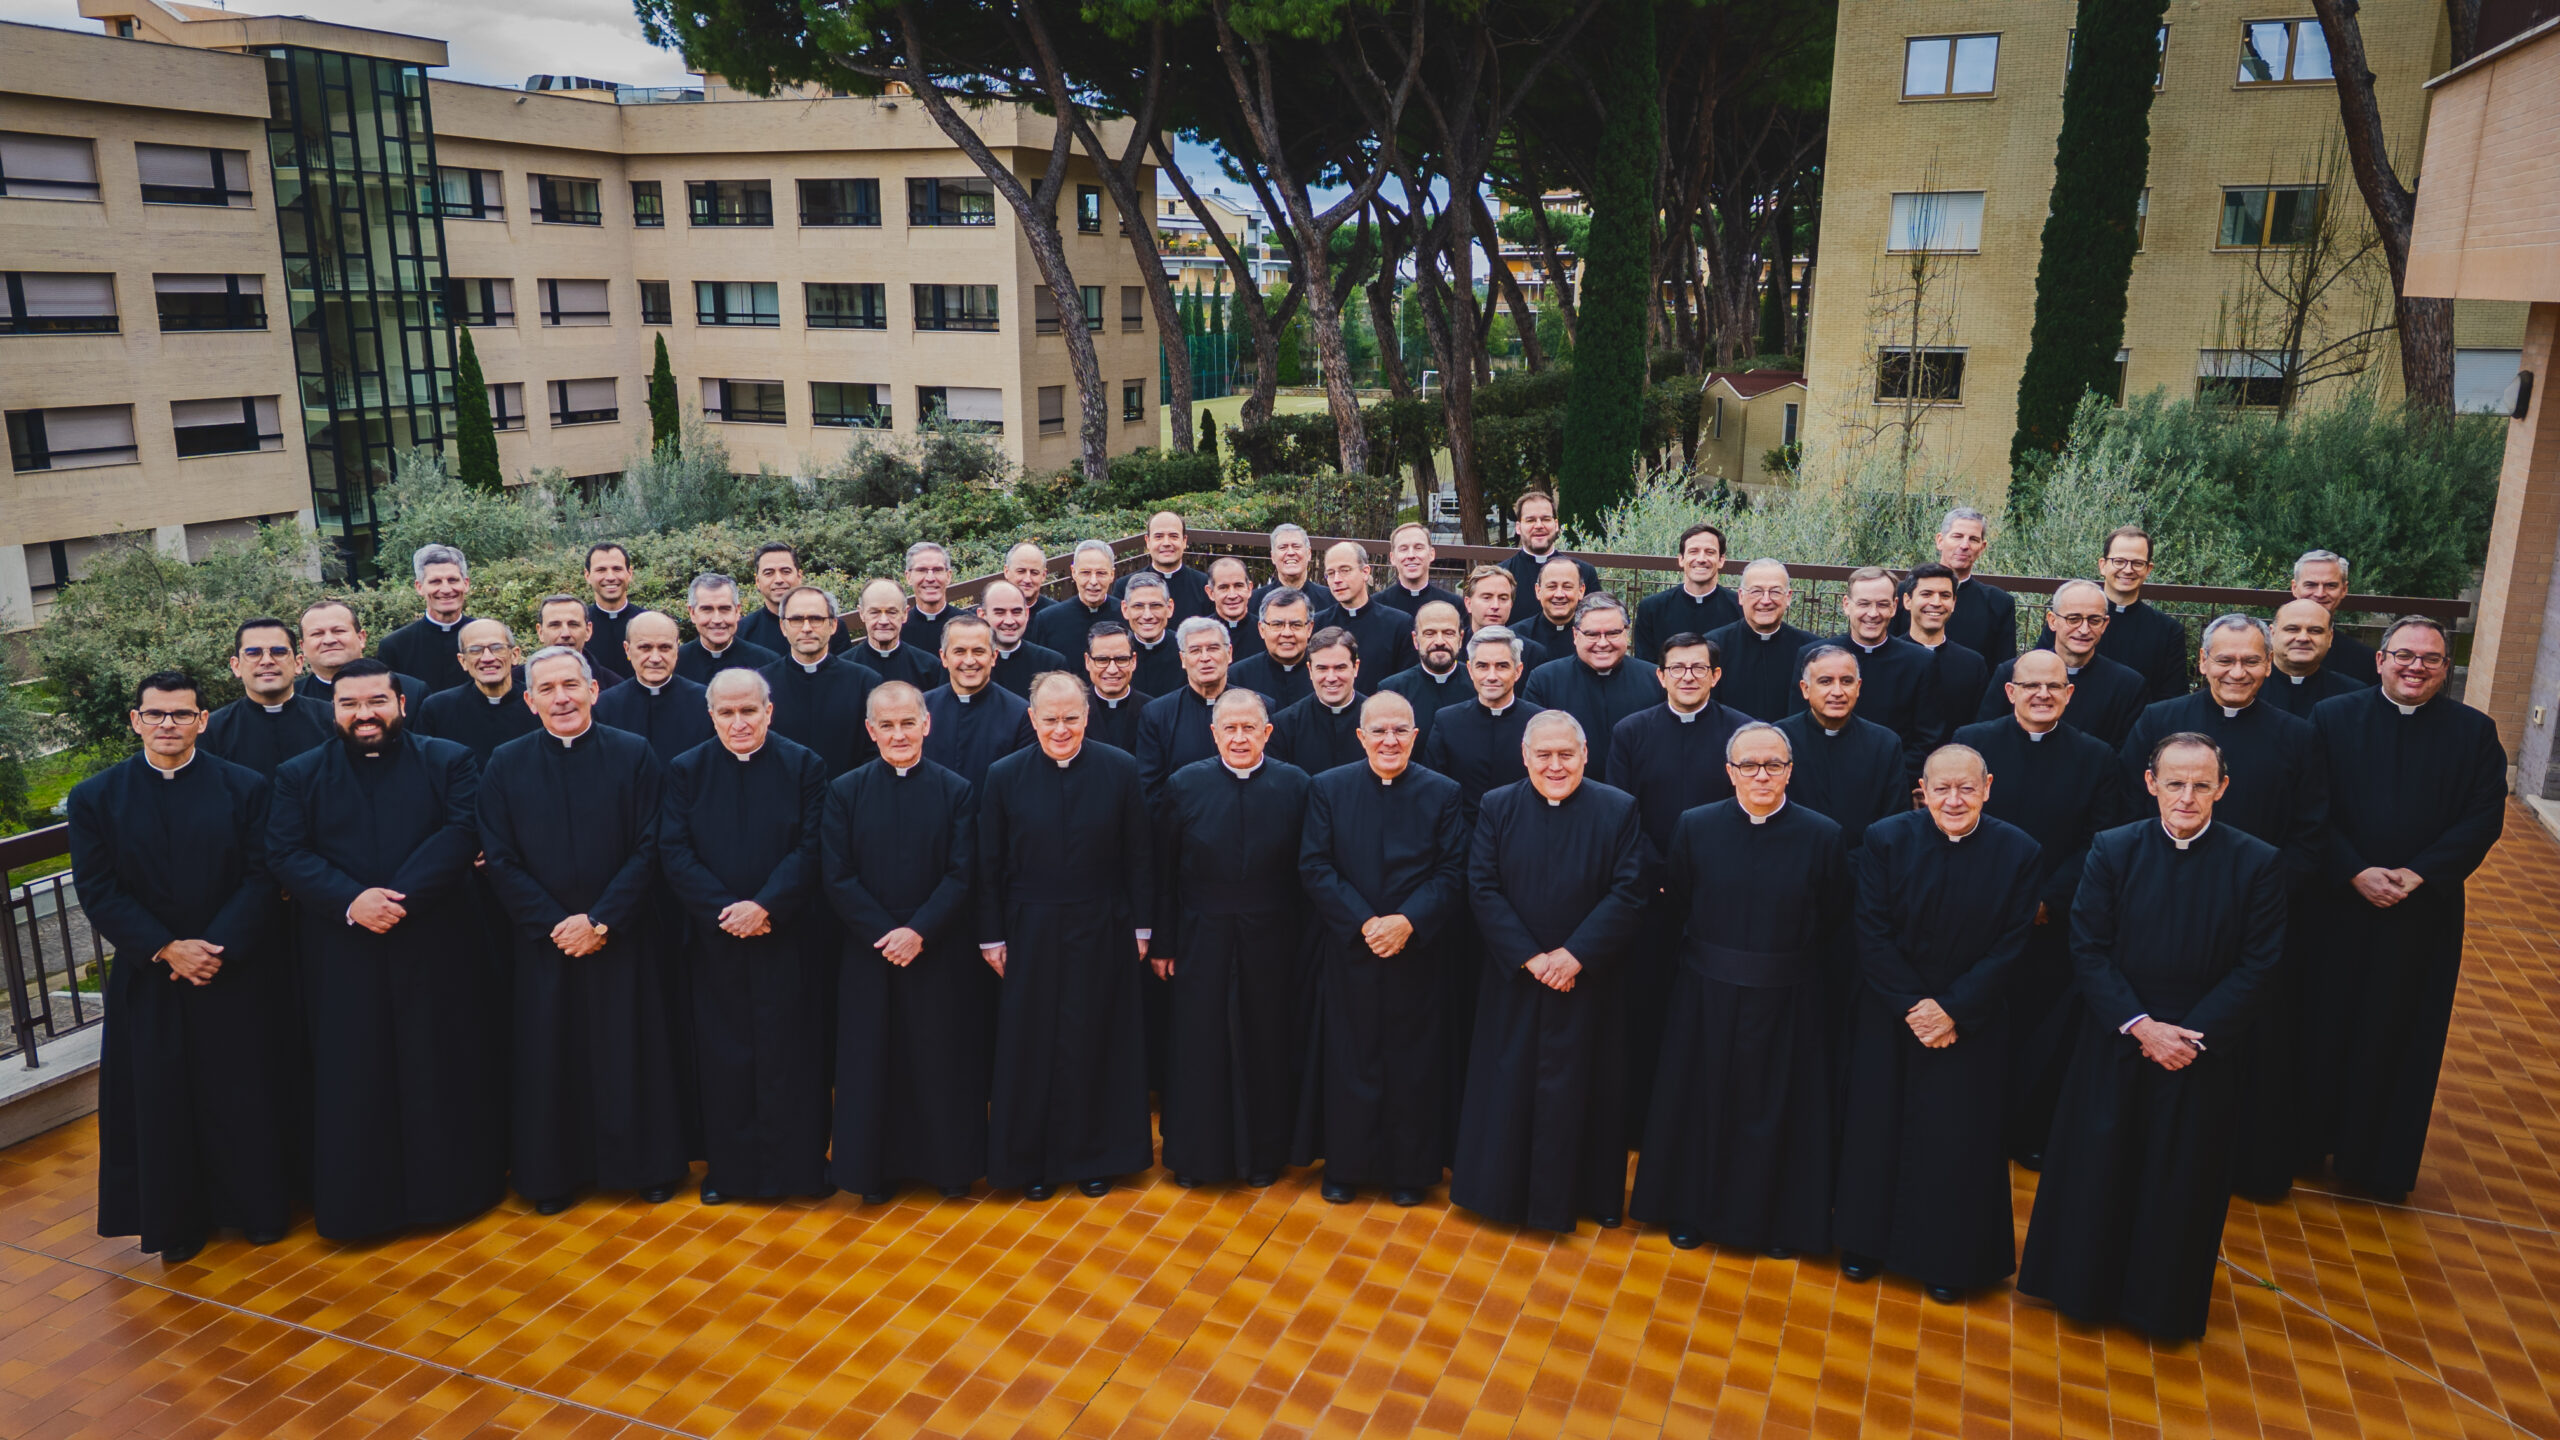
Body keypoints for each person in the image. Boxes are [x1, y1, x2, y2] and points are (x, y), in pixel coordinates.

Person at [2017, 733, 2287, 1341]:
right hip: (2116, 1039)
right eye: (2174, 782)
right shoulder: (2113, 850)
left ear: (2222, 787)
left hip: (2199, 1052)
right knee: (2098, 1170)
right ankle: (2081, 1294)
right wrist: (2142, 1026)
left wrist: (2189, 1036)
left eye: (2200, 784)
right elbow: (2087, 947)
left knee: (2180, 1181)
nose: (2186, 796)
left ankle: (2158, 1309)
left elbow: (2260, 964)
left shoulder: (2258, 862)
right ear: (2150, 784)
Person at [268, 659, 504, 1241]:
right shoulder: (298, 775)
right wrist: (353, 901)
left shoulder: (449, 760)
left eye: (375, 701)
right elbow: (286, 851)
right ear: (334, 710)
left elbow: (462, 830)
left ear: (401, 703)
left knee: (440, 1065)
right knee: (356, 1075)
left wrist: (395, 900)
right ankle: (362, 1207)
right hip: (343, 950)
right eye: (349, 704)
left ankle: (452, 1193)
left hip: (436, 942)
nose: (363, 714)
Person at [73, 672, 293, 1262]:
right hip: (152, 976)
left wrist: (212, 947)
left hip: (233, 969)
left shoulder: (244, 787)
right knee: (161, 1099)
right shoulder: (96, 796)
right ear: (135, 719)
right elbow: (98, 888)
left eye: (181, 714)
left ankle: (257, 1211)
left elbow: (261, 873)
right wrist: (168, 948)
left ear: (203, 720)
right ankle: (177, 1224)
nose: (167, 724)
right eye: (156, 714)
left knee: (243, 1092)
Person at [2119, 616, 2328, 1199]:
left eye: (2251, 661)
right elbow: (2123, 811)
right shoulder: (2160, 720)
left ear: (2268, 665)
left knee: (2243, 1045)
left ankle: (2236, 1166)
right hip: (2155, 920)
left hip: (2250, 927)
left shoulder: (2297, 734)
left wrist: (2258, 904)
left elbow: (2311, 833)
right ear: (2202, 662)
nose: (2238, 672)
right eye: (2225, 660)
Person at [2303, 617, 2507, 1202]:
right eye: (2404, 655)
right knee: (2324, 1023)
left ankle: (2377, 1162)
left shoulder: (2474, 733)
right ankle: (2307, 1142)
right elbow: (2313, 807)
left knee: (2401, 1033)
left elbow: (2482, 818)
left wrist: (2418, 875)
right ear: (2380, 660)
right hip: (2338, 904)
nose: (2416, 667)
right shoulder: (2332, 718)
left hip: (2422, 915)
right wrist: (2354, 870)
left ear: (2446, 668)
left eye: (2431, 659)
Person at [477, 647, 688, 1214]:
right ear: (529, 701)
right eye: (547, 689)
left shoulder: (634, 754)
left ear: (595, 690)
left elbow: (652, 844)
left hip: (622, 934)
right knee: (552, 1056)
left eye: (571, 685)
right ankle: (554, 1176)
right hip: (545, 942)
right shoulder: (504, 763)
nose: (562, 697)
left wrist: (602, 920)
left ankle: (648, 1167)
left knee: (632, 1049)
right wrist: (556, 923)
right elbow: (499, 856)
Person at [1630, 722, 1849, 1256]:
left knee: (1778, 1112)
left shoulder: (1823, 834)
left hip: (1787, 995)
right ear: (1729, 773)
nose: (1761, 775)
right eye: (1748, 765)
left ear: (1790, 772)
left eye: (1773, 765)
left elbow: (1834, 914)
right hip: (1705, 993)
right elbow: (1680, 899)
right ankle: (1690, 1211)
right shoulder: (1695, 826)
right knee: (1700, 1105)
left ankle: (1777, 1223)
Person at [1836, 746, 2042, 1302]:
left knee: (1959, 1139)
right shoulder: (1885, 839)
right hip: (1891, 1011)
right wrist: (1914, 1005)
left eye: (1967, 789)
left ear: (1987, 787)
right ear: (1921, 791)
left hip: (1970, 1019)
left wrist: (1953, 1008)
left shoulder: (2019, 851)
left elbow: (2011, 944)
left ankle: (1947, 1257)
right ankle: (1863, 1242)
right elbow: (1871, 931)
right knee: (1874, 1127)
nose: (1954, 800)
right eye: (1942, 789)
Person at [1452, 711, 1650, 1233]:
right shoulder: (1497, 806)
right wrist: (1532, 957)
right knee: (1508, 1084)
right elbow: (1482, 887)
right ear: (1525, 757)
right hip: (1516, 976)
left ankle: (1591, 1196)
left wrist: (1575, 955)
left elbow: (1629, 890)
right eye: (1544, 755)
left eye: (1567, 754)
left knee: (1590, 1087)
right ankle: (1499, 1194)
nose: (1556, 765)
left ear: (1586, 754)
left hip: (1589, 979)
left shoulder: (1618, 808)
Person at [977, 673, 1156, 1199]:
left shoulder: (1120, 769)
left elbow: (1139, 855)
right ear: (1031, 719)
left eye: (1071, 718)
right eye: (1050, 719)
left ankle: (1095, 1157)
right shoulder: (1003, 775)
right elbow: (988, 862)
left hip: (1103, 923)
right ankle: (1032, 1163)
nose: (1061, 729)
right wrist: (991, 936)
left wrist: (1141, 927)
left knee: (1095, 1038)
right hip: (1028, 926)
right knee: (1032, 1045)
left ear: (1087, 717)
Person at [658, 669, 833, 1204]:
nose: (739, 722)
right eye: (727, 713)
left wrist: (766, 906)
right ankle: (728, 1174)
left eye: (749, 711)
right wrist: (725, 912)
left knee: (794, 1056)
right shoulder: (686, 770)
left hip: (788, 936)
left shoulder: (805, 765)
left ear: (768, 711)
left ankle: (802, 1170)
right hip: (717, 942)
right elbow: (675, 850)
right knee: (724, 1057)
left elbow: (813, 844)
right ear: (710, 716)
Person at [1952, 650, 2129, 1167]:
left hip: (2051, 921)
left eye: (2053, 687)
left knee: (2040, 1034)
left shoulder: (2097, 757)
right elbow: (1954, 821)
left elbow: (2100, 837)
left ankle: (2027, 1131)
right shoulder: (1972, 742)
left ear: (2069, 694)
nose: (2042, 695)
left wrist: (2047, 898)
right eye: (2030, 686)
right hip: (1977, 916)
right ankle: (1969, 1126)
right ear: (2010, 692)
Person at [1295, 692, 1470, 1206]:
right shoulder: (1328, 788)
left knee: (1413, 1061)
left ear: (1416, 736)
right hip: (1351, 948)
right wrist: (1366, 922)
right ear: (1361, 737)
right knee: (1349, 1057)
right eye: (1379, 731)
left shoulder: (1443, 792)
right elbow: (1315, 865)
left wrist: (1407, 921)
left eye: (1400, 731)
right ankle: (1346, 1167)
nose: (1389, 741)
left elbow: (1453, 869)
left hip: (1417, 952)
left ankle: (1410, 1171)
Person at [826, 682, 987, 1201]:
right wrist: (884, 933)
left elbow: (963, 872)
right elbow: (837, 875)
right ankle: (876, 1173)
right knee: (872, 1061)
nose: (899, 734)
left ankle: (950, 1169)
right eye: (887, 725)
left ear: (926, 724)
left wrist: (918, 931)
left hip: (937, 948)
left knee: (941, 1057)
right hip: (869, 950)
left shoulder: (957, 789)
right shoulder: (845, 791)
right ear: (871, 731)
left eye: (907, 723)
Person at [1154, 690, 1312, 1188]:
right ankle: (1198, 1158)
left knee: (1266, 1038)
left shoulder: (1296, 785)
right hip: (1202, 932)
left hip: (1274, 934)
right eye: (1230, 729)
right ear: (1214, 733)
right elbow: (1164, 871)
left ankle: (1264, 1155)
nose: (1240, 738)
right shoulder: (1183, 785)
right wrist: (1164, 942)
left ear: (1268, 733)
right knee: (1200, 1043)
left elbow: (1308, 871)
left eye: (1250, 729)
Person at [1604, 633, 1744, 1131]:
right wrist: (1661, 877)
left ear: (1716, 676)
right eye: (1677, 668)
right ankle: (1641, 1118)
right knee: (1645, 1008)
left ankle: (1703, 1119)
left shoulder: (1742, 733)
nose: (1688, 676)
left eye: (1698, 668)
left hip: (1719, 900)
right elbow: (1621, 812)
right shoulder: (1630, 731)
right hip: (1649, 897)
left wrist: (1703, 881)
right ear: (1659, 675)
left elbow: (1746, 814)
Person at [1982, 581, 2148, 748]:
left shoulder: (2127, 686)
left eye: (2094, 620)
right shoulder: (2011, 673)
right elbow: (1986, 736)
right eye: (2073, 619)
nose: (2084, 629)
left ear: (2105, 624)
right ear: (2052, 621)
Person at [2035, 526, 2189, 705]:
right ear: (2103, 565)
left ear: (2148, 569)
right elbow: (2039, 668)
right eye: (2119, 561)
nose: (2128, 569)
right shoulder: (2068, 619)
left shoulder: (2168, 631)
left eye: (2137, 563)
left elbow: (2172, 698)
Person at [1523, 595, 1657, 786]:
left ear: (1626, 633)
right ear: (1575, 635)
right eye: (1592, 634)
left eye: (1612, 633)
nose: (1602, 643)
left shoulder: (1654, 679)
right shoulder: (1544, 680)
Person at [1827, 566, 1946, 777]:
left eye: (1882, 605)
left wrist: (1890, 775)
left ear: (1894, 607)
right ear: (1847, 605)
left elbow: (1927, 739)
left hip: (1893, 780)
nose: (1873, 614)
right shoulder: (1817, 657)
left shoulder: (1921, 662)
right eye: (1863, 604)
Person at [755, 585, 880, 780]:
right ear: (783, 627)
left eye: (816, 619)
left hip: (848, 801)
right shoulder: (761, 685)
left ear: (833, 625)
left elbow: (874, 751)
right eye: (796, 619)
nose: (806, 628)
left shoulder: (866, 682)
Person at [1422, 627, 1544, 826]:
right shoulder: (1447, 722)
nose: (1492, 676)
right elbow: (1434, 791)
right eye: (1483, 666)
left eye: (1502, 666)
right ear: (1470, 670)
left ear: (1518, 671)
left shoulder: (1538, 722)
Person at [203, 617, 332, 779]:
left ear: (298, 663)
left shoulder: (332, 720)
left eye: (279, 652)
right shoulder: (212, 731)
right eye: (253, 653)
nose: (267, 661)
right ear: (236, 666)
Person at [920, 612, 1034, 790]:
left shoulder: (1020, 714)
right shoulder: (922, 709)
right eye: (959, 651)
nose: (969, 660)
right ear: (943, 658)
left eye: (978, 651)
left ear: (993, 657)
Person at [1891, 507, 2017, 667]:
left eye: (1973, 539)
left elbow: (2003, 669)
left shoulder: (1999, 603)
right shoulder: (1903, 592)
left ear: (1982, 548)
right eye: (1957, 536)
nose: (1964, 545)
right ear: (1940, 541)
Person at [1138, 616, 1244, 797]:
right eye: (1195, 650)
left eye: (1213, 648)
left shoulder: (1257, 708)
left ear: (1229, 653)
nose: (1205, 658)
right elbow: (1152, 790)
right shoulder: (1157, 715)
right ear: (1183, 659)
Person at [594, 611, 716, 763]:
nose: (655, 658)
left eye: (665, 647)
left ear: (676, 649)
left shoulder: (704, 702)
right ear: (627, 649)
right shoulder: (604, 706)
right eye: (645, 648)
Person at [411, 618, 537, 761]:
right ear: (463, 661)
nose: (487, 658)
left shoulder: (538, 703)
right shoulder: (437, 709)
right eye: (475, 650)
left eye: (497, 648)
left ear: (514, 655)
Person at [1704, 561, 1815, 721]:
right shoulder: (1713, 645)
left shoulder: (1811, 649)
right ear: (1741, 596)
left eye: (1775, 592)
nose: (1766, 600)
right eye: (1756, 591)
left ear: (1788, 597)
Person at [1902, 562, 1991, 741]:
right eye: (1926, 594)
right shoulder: (1890, 657)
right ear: (1907, 601)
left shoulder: (1973, 665)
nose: (1936, 603)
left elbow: (1979, 726)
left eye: (1945, 595)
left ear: (1954, 603)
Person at [375, 543, 479, 693]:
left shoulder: (488, 637)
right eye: (435, 581)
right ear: (419, 587)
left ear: (466, 584)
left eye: (452, 580)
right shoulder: (395, 646)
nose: (446, 589)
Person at [1632, 523, 1741, 662]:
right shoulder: (1652, 608)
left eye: (1710, 552)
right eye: (1693, 551)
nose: (1701, 559)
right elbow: (1645, 666)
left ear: (1721, 560)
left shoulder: (1740, 607)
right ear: (1681, 559)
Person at [1269, 628, 1370, 775]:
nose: (1331, 677)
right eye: (1322, 668)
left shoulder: (1378, 720)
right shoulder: (1284, 725)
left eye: (1340, 668)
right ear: (1310, 670)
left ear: (1355, 668)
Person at [294, 599, 425, 711]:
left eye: (339, 631)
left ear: (361, 638)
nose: (329, 640)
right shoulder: (292, 699)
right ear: (302, 646)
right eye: (317, 634)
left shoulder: (411, 691)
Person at [1380, 601, 1470, 751]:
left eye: (1448, 633)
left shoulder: (1477, 684)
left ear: (1460, 639)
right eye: (1430, 633)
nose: (1440, 642)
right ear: (1415, 640)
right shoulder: (1392, 690)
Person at [1499, 489, 1598, 624]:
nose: (1539, 526)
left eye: (1545, 519)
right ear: (1518, 527)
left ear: (1556, 525)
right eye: (1530, 520)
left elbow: (1595, 622)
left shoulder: (1585, 572)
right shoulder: (1502, 575)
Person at [1323, 541, 1414, 675]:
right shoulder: (1319, 624)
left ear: (1365, 572)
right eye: (1330, 573)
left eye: (1345, 570)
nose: (1336, 579)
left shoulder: (1398, 624)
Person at [2264, 597, 2365, 718]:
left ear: (2330, 637)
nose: (2303, 638)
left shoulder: (2355, 694)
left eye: (2315, 631)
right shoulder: (2248, 688)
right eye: (2292, 629)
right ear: (2272, 634)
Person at [675, 572, 780, 684]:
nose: (717, 620)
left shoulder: (767, 662)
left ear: (737, 611)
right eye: (707, 609)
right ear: (692, 613)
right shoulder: (675, 663)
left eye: (725, 609)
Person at [2290, 549, 2376, 684]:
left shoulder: (2365, 660)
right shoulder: (2262, 650)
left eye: (2330, 585)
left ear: (2344, 590)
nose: (2320, 594)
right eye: (2311, 585)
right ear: (2294, 588)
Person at [738, 542, 837, 657]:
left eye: (786, 571)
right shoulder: (742, 632)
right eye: (769, 573)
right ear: (758, 581)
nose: (778, 580)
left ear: (799, 576)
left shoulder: (828, 626)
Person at [1027, 540, 1125, 654]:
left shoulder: (1127, 615)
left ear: (1112, 575)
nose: (1093, 581)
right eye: (1086, 573)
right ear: (1074, 572)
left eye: (1101, 573)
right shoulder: (1048, 620)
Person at [848, 577, 946, 690]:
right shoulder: (845, 669)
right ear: (861, 614)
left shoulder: (929, 667)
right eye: (875, 612)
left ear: (905, 614)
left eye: (891, 612)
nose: (883, 621)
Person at [1111, 511, 1211, 620]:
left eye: (1174, 536)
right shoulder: (1124, 586)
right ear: (1148, 541)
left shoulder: (1204, 585)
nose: (1166, 543)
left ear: (1184, 541)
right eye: (1158, 537)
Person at [1229, 589, 1318, 705]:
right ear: (1262, 629)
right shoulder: (1237, 677)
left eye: (1296, 625)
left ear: (1309, 629)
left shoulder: (1325, 673)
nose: (1287, 633)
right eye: (1277, 625)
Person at [980, 579, 1067, 698]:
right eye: (1000, 613)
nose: (1009, 621)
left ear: (1027, 613)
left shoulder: (1052, 663)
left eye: (1016, 612)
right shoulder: (971, 666)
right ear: (982, 615)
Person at [1251, 522, 1338, 628]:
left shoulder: (1331, 600)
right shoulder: (1254, 601)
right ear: (1273, 556)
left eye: (1296, 546)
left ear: (1309, 553)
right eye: (1283, 547)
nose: (1290, 552)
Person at [1081, 623, 1151, 753]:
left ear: (1133, 661)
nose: (1112, 670)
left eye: (1121, 659)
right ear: (1088, 661)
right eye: (1102, 660)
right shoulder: (1072, 711)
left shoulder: (1153, 711)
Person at [1459, 566, 1547, 669]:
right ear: (1468, 604)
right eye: (1487, 597)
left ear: (1511, 604)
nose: (1495, 606)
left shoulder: (1532, 654)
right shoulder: (1454, 649)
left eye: (1503, 598)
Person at [533, 592, 622, 691]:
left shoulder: (615, 688)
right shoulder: (519, 681)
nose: (565, 633)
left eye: (573, 624)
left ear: (588, 630)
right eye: (555, 625)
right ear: (540, 632)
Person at [1119, 571, 1186, 697]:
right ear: (1125, 609)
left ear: (1169, 608)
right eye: (1138, 606)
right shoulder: (1115, 653)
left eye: (1155, 606)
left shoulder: (1186, 649)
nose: (1147, 616)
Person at [1377, 521, 1461, 619]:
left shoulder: (1454, 605)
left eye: (1418, 548)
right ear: (1392, 558)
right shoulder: (1377, 605)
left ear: (1431, 554)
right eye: (1403, 549)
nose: (1411, 555)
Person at [583, 541, 640, 678]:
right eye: (601, 570)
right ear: (587, 576)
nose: (610, 577)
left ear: (629, 573)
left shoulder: (649, 622)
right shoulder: (578, 627)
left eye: (617, 569)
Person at [1513, 556, 1587, 657]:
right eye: (1551, 587)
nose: (1559, 594)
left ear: (1581, 591)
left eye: (1567, 587)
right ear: (1538, 591)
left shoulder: (1592, 636)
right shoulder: (1516, 636)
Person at [901, 541, 960, 651]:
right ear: (908, 577)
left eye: (937, 570)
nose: (930, 578)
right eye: (921, 570)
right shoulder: (898, 630)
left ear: (948, 576)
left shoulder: (967, 624)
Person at [1205, 555, 1265, 662]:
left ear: (1249, 589)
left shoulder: (1265, 632)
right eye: (1223, 588)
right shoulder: (1201, 634)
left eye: (1238, 586)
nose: (1232, 595)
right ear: (1211, 593)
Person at [1004, 541, 1056, 620]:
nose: (1027, 580)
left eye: (1034, 573)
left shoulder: (1057, 615)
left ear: (1043, 575)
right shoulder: (988, 614)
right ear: (1007, 572)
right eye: (1021, 571)